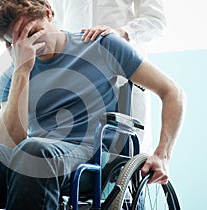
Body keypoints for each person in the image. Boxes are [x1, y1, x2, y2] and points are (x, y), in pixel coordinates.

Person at [0, 0, 186, 209]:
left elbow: (172, 92)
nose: (34, 44)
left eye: (34, 31)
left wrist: (162, 154)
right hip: (33, 159)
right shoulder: (12, 76)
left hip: (87, 157)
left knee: (34, 151)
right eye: (21, 40)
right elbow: (7, 147)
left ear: (48, 12)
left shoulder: (100, 44)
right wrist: (22, 71)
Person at [47, 0, 167, 154]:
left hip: (124, 74)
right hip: (75, 73)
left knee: (131, 149)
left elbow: (156, 21)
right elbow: (53, 21)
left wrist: (120, 33)